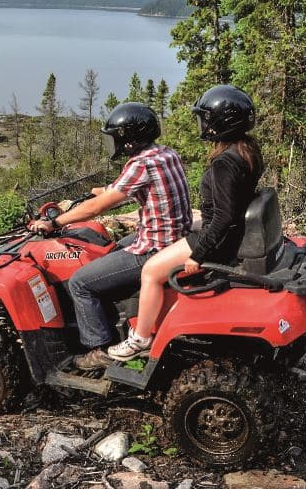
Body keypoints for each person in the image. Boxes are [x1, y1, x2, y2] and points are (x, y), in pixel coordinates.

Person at [29, 103, 192, 370]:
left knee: (80, 282)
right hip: (176, 237)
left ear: (128, 140)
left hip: (155, 246)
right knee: (112, 250)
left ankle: (98, 349)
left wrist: (54, 221)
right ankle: (117, 314)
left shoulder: (140, 163)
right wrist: (106, 189)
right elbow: (134, 187)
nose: (114, 142)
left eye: (116, 137)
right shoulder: (164, 154)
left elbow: (97, 208)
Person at [108, 85, 263, 362]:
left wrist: (197, 254)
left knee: (151, 271)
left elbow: (225, 217)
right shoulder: (247, 149)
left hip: (221, 240)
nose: (202, 123)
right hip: (228, 231)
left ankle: (140, 339)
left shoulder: (224, 163)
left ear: (220, 123)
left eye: (205, 118)